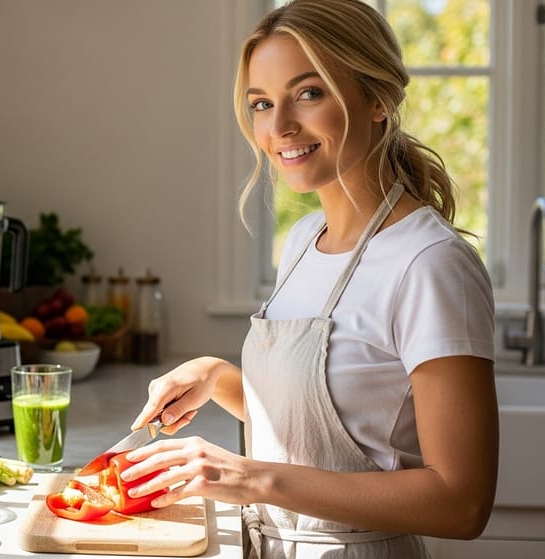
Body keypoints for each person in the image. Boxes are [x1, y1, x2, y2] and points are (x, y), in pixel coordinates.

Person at [121, 1, 498, 558]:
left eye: (308, 93)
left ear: (379, 99)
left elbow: (462, 503)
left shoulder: (430, 264)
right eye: (261, 104)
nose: (279, 127)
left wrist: (249, 478)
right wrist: (218, 377)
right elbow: (334, 438)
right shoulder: (303, 241)